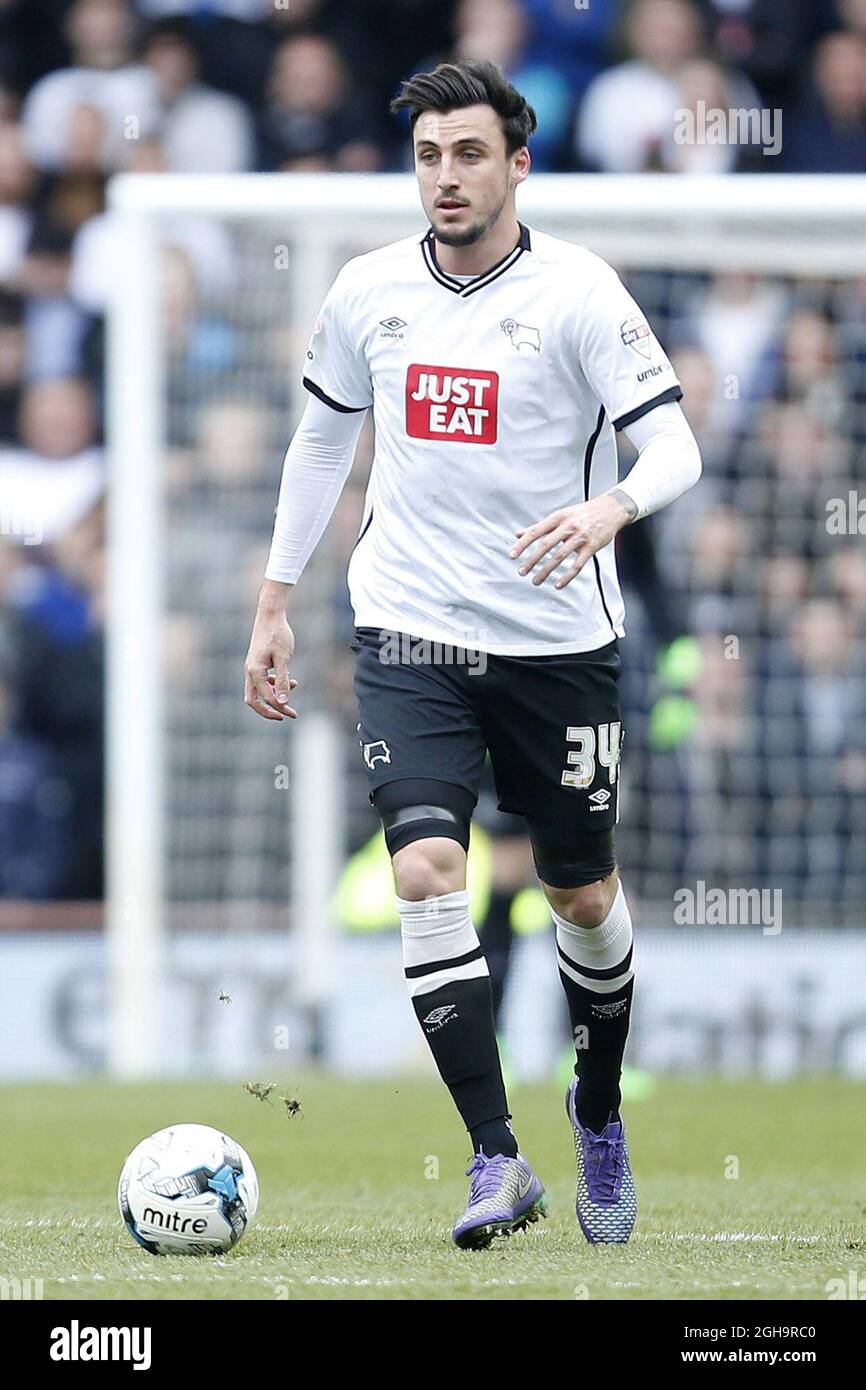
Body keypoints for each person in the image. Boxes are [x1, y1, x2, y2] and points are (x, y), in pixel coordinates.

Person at [244, 59, 702, 1249]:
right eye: (426, 156)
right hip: (408, 630)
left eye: (466, 155)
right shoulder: (367, 291)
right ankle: (495, 1157)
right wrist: (275, 600)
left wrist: (609, 512)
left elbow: (675, 454)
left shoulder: (581, 296)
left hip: (558, 643)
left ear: (516, 165)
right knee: (425, 876)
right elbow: (316, 444)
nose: (443, 177)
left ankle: (594, 1113)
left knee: (578, 896)